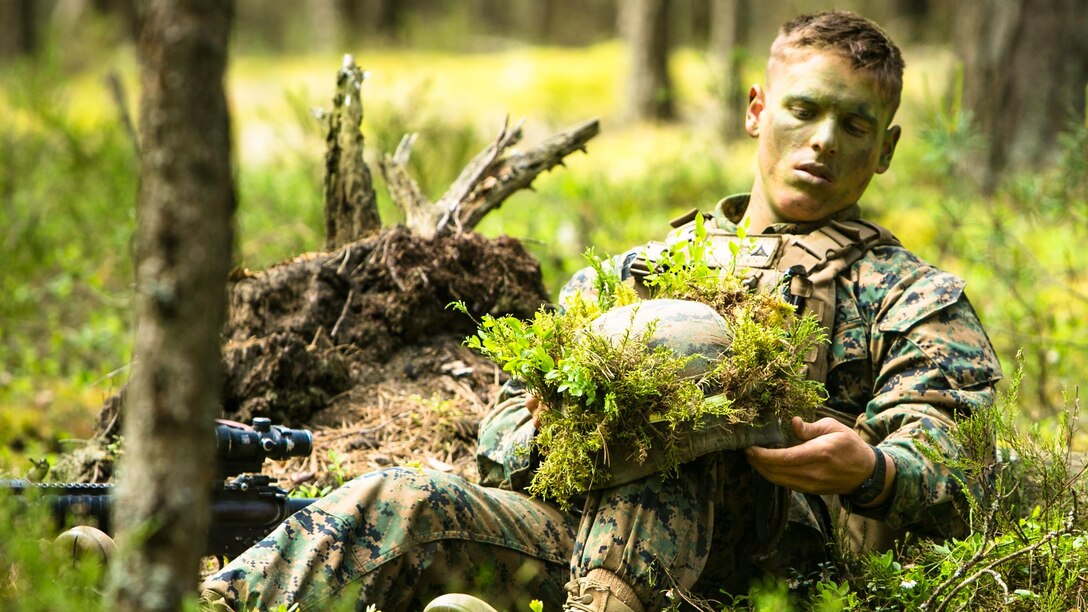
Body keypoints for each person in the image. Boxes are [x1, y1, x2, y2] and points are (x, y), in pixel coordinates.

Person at [200, 11, 1002, 611]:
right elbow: (504, 430)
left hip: (767, 571)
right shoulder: (636, 273)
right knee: (398, 501)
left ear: (885, 150)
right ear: (758, 108)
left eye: (854, 124)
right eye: (804, 110)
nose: (823, 141)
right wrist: (555, 426)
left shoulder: (912, 295)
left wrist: (871, 470)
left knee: (687, 437)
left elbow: (958, 466)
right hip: (576, 544)